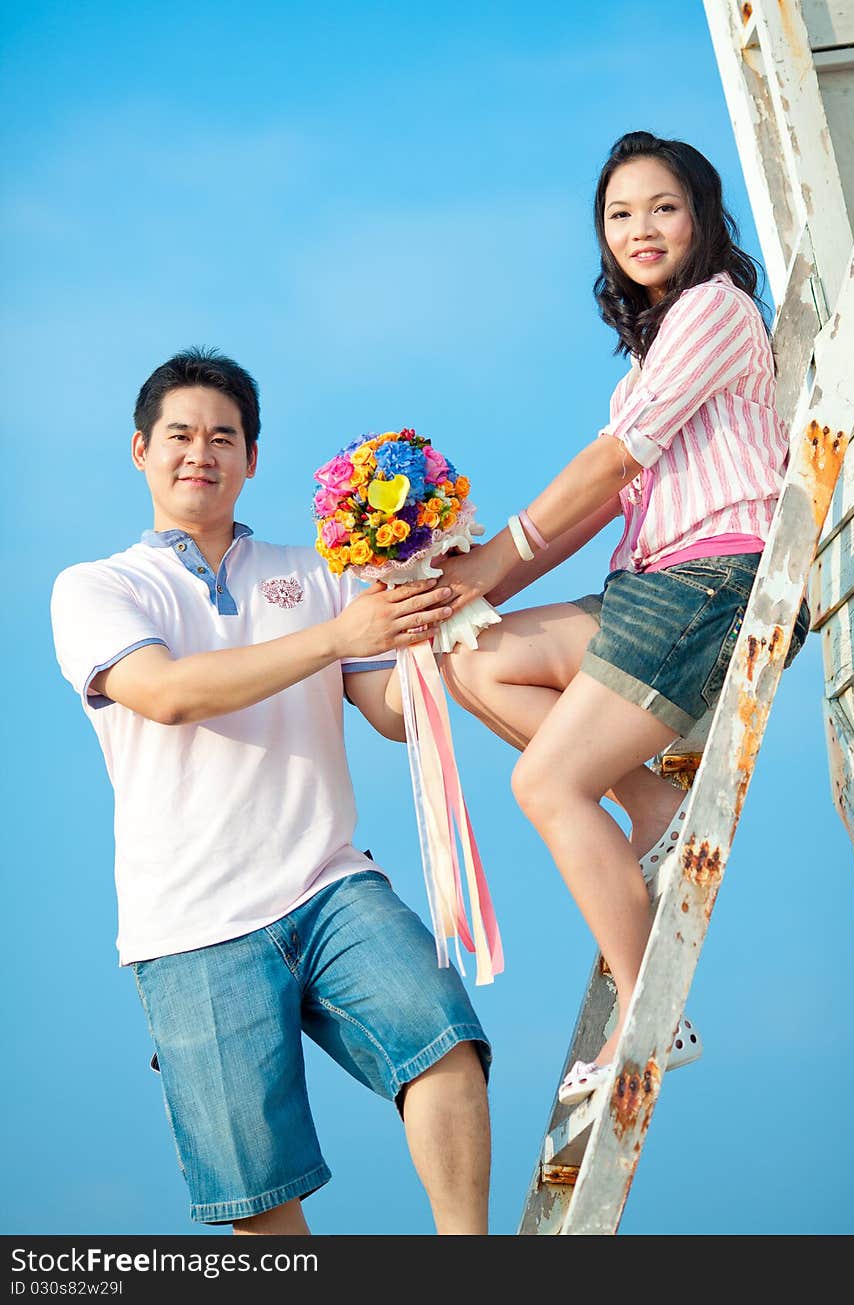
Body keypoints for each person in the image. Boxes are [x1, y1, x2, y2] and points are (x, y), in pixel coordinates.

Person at [50, 348, 491, 1234]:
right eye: (179, 435)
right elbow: (167, 694)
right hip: (188, 929)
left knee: (444, 1042)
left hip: (327, 883)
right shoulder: (96, 587)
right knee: (263, 1195)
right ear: (140, 449)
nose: (200, 454)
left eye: (224, 436)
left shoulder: (324, 573)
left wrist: (429, 611)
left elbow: (393, 715)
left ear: (254, 457)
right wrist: (336, 636)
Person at [438, 131, 810, 1106]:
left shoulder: (714, 310)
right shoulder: (647, 358)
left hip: (709, 582)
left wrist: (487, 560)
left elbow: (606, 470)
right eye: (618, 215)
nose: (639, 228)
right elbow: (605, 501)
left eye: (661, 207)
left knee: (547, 785)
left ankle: (652, 1014)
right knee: (470, 656)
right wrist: (468, 595)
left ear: (701, 217)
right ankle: (649, 804)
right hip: (647, 587)